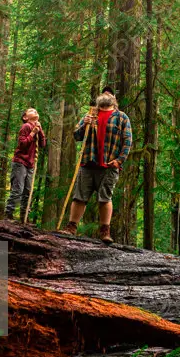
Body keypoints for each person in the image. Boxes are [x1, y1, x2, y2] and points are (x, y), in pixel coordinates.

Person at [60, 90, 132, 244]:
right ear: (99, 98)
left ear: (114, 99)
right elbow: (77, 136)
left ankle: (105, 231)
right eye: (103, 93)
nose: (106, 95)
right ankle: (71, 227)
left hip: (108, 165)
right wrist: (84, 124)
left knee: (105, 198)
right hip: (88, 162)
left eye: (109, 93)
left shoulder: (122, 117)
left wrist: (119, 161)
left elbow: (127, 141)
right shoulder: (91, 114)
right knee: (79, 196)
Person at [5, 108, 46, 221]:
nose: (35, 111)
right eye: (32, 111)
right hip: (20, 162)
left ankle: (24, 217)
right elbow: (22, 144)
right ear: (25, 117)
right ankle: (9, 214)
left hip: (30, 164)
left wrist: (40, 130)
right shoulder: (26, 126)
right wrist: (33, 133)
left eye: (36, 111)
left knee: (27, 191)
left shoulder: (37, 128)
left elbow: (42, 144)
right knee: (18, 189)